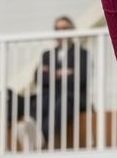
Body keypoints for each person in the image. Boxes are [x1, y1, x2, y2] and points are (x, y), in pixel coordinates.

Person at [29, 16, 88, 145]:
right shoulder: (47, 54)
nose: (61, 33)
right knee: (39, 100)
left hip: (73, 98)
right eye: (58, 29)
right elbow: (38, 78)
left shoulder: (82, 54)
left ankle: (42, 137)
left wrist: (50, 74)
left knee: (63, 101)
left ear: (72, 30)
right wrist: (60, 73)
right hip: (50, 96)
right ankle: (31, 130)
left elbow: (81, 79)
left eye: (65, 28)